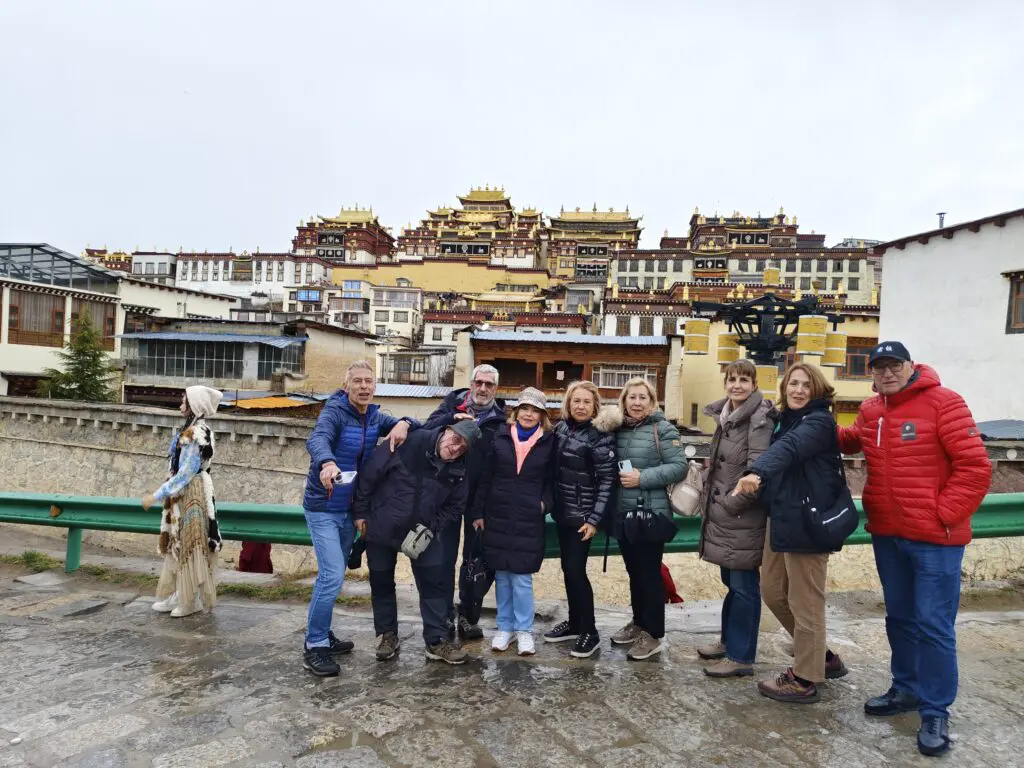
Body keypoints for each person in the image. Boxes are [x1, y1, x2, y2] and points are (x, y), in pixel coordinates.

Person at [837, 342, 991, 757]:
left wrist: (944, 514)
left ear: (910, 366)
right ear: (872, 373)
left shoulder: (944, 402)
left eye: (894, 365)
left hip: (936, 540)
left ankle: (936, 709)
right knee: (901, 619)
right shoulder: (872, 410)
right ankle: (905, 689)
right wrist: (804, 415)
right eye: (880, 367)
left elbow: (975, 466)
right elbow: (849, 440)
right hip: (888, 533)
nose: (887, 373)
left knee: (934, 625)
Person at [733, 362, 850, 703]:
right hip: (781, 518)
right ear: (784, 389)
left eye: (805, 385)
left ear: (816, 390)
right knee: (772, 592)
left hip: (809, 523)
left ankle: (805, 679)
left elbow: (790, 449)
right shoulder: (787, 419)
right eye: (793, 384)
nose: (798, 390)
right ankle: (822, 657)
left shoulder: (819, 422)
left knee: (806, 603)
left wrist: (757, 472)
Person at [300, 360, 417, 677]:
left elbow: (411, 423)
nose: (364, 386)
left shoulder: (375, 417)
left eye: (369, 381)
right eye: (358, 381)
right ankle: (315, 644)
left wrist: (405, 422)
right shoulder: (334, 412)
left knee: (333, 576)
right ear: (346, 385)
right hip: (323, 507)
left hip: (349, 510)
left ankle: (322, 632)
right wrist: (327, 462)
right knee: (332, 575)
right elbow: (318, 439)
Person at [352, 419, 482, 665]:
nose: (455, 448)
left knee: (433, 583)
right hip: (381, 524)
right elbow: (370, 474)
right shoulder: (409, 441)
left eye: (463, 447)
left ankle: (436, 641)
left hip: (421, 532)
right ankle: (387, 635)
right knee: (381, 581)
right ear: (447, 430)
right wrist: (360, 512)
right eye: (455, 440)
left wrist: (430, 528)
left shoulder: (459, 470)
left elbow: (456, 507)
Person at [696, 360, 775, 678]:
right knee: (732, 582)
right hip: (727, 515)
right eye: (732, 379)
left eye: (744, 380)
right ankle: (729, 641)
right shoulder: (727, 414)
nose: (737, 385)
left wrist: (729, 505)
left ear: (754, 385)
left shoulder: (758, 418)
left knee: (744, 586)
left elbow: (758, 469)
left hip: (742, 515)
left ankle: (742, 657)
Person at [422, 363, 506, 641]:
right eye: (478, 382)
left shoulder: (500, 421)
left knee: (474, 562)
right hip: (445, 497)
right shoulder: (450, 406)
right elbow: (425, 432)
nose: (483, 388)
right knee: (442, 558)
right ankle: (444, 614)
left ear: (496, 388)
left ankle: (468, 618)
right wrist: (452, 418)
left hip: (478, 502)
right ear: (471, 384)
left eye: (489, 384)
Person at [473, 387, 556, 656]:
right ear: (516, 411)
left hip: (528, 517)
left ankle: (524, 631)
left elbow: (553, 482)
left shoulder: (549, 441)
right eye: (525, 409)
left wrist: (543, 504)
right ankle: (504, 628)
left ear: (542, 416)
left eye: (535, 410)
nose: (529, 414)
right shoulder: (500, 437)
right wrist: (478, 512)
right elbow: (485, 477)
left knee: (521, 577)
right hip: (498, 513)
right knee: (502, 575)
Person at [607, 377, 686, 661]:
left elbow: (679, 467)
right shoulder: (618, 429)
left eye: (643, 397)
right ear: (624, 401)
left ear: (652, 402)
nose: (637, 403)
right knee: (633, 571)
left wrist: (643, 477)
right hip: (624, 512)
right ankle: (639, 622)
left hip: (652, 513)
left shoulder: (662, 429)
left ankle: (654, 634)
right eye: (632, 397)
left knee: (650, 573)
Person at [545, 380, 617, 658]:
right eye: (576, 400)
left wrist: (595, 519)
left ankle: (590, 631)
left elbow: (608, 480)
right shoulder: (562, 427)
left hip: (584, 517)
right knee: (568, 570)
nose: (581, 406)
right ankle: (575, 622)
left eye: (587, 401)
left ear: (595, 406)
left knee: (576, 572)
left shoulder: (600, 435)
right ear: (568, 403)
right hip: (564, 513)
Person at [142, 386, 223, 618]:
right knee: (176, 541)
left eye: (183, 401)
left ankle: (190, 598)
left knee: (191, 543)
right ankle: (181, 592)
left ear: (194, 406)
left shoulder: (196, 433)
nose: (180, 405)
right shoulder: (190, 430)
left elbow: (186, 472)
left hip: (191, 493)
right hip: (181, 492)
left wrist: (156, 494)